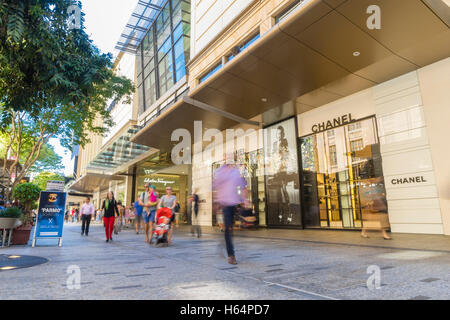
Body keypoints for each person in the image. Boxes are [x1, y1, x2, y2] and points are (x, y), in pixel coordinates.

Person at [212, 160, 249, 265]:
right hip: (225, 204)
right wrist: (216, 202)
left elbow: (243, 187)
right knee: (228, 228)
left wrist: (245, 199)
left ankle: (224, 242)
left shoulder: (235, 172)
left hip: (234, 204)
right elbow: (215, 187)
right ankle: (231, 255)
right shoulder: (220, 172)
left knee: (230, 229)